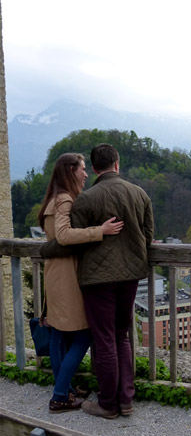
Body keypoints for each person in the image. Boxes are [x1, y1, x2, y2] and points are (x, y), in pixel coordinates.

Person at [71, 144, 154, 420]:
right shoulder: (139, 194)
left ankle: (107, 404)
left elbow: (75, 240)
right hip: (130, 276)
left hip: (97, 279)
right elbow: (148, 236)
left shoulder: (85, 199)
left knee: (104, 339)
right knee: (121, 335)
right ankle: (126, 400)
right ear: (117, 164)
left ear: (94, 168)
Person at [38, 153, 124, 413]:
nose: (86, 174)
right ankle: (60, 395)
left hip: (56, 273)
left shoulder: (55, 197)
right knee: (84, 333)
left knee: (58, 333)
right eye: (82, 169)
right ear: (70, 170)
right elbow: (64, 236)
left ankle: (65, 388)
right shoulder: (64, 199)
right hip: (66, 276)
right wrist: (101, 231)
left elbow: (56, 238)